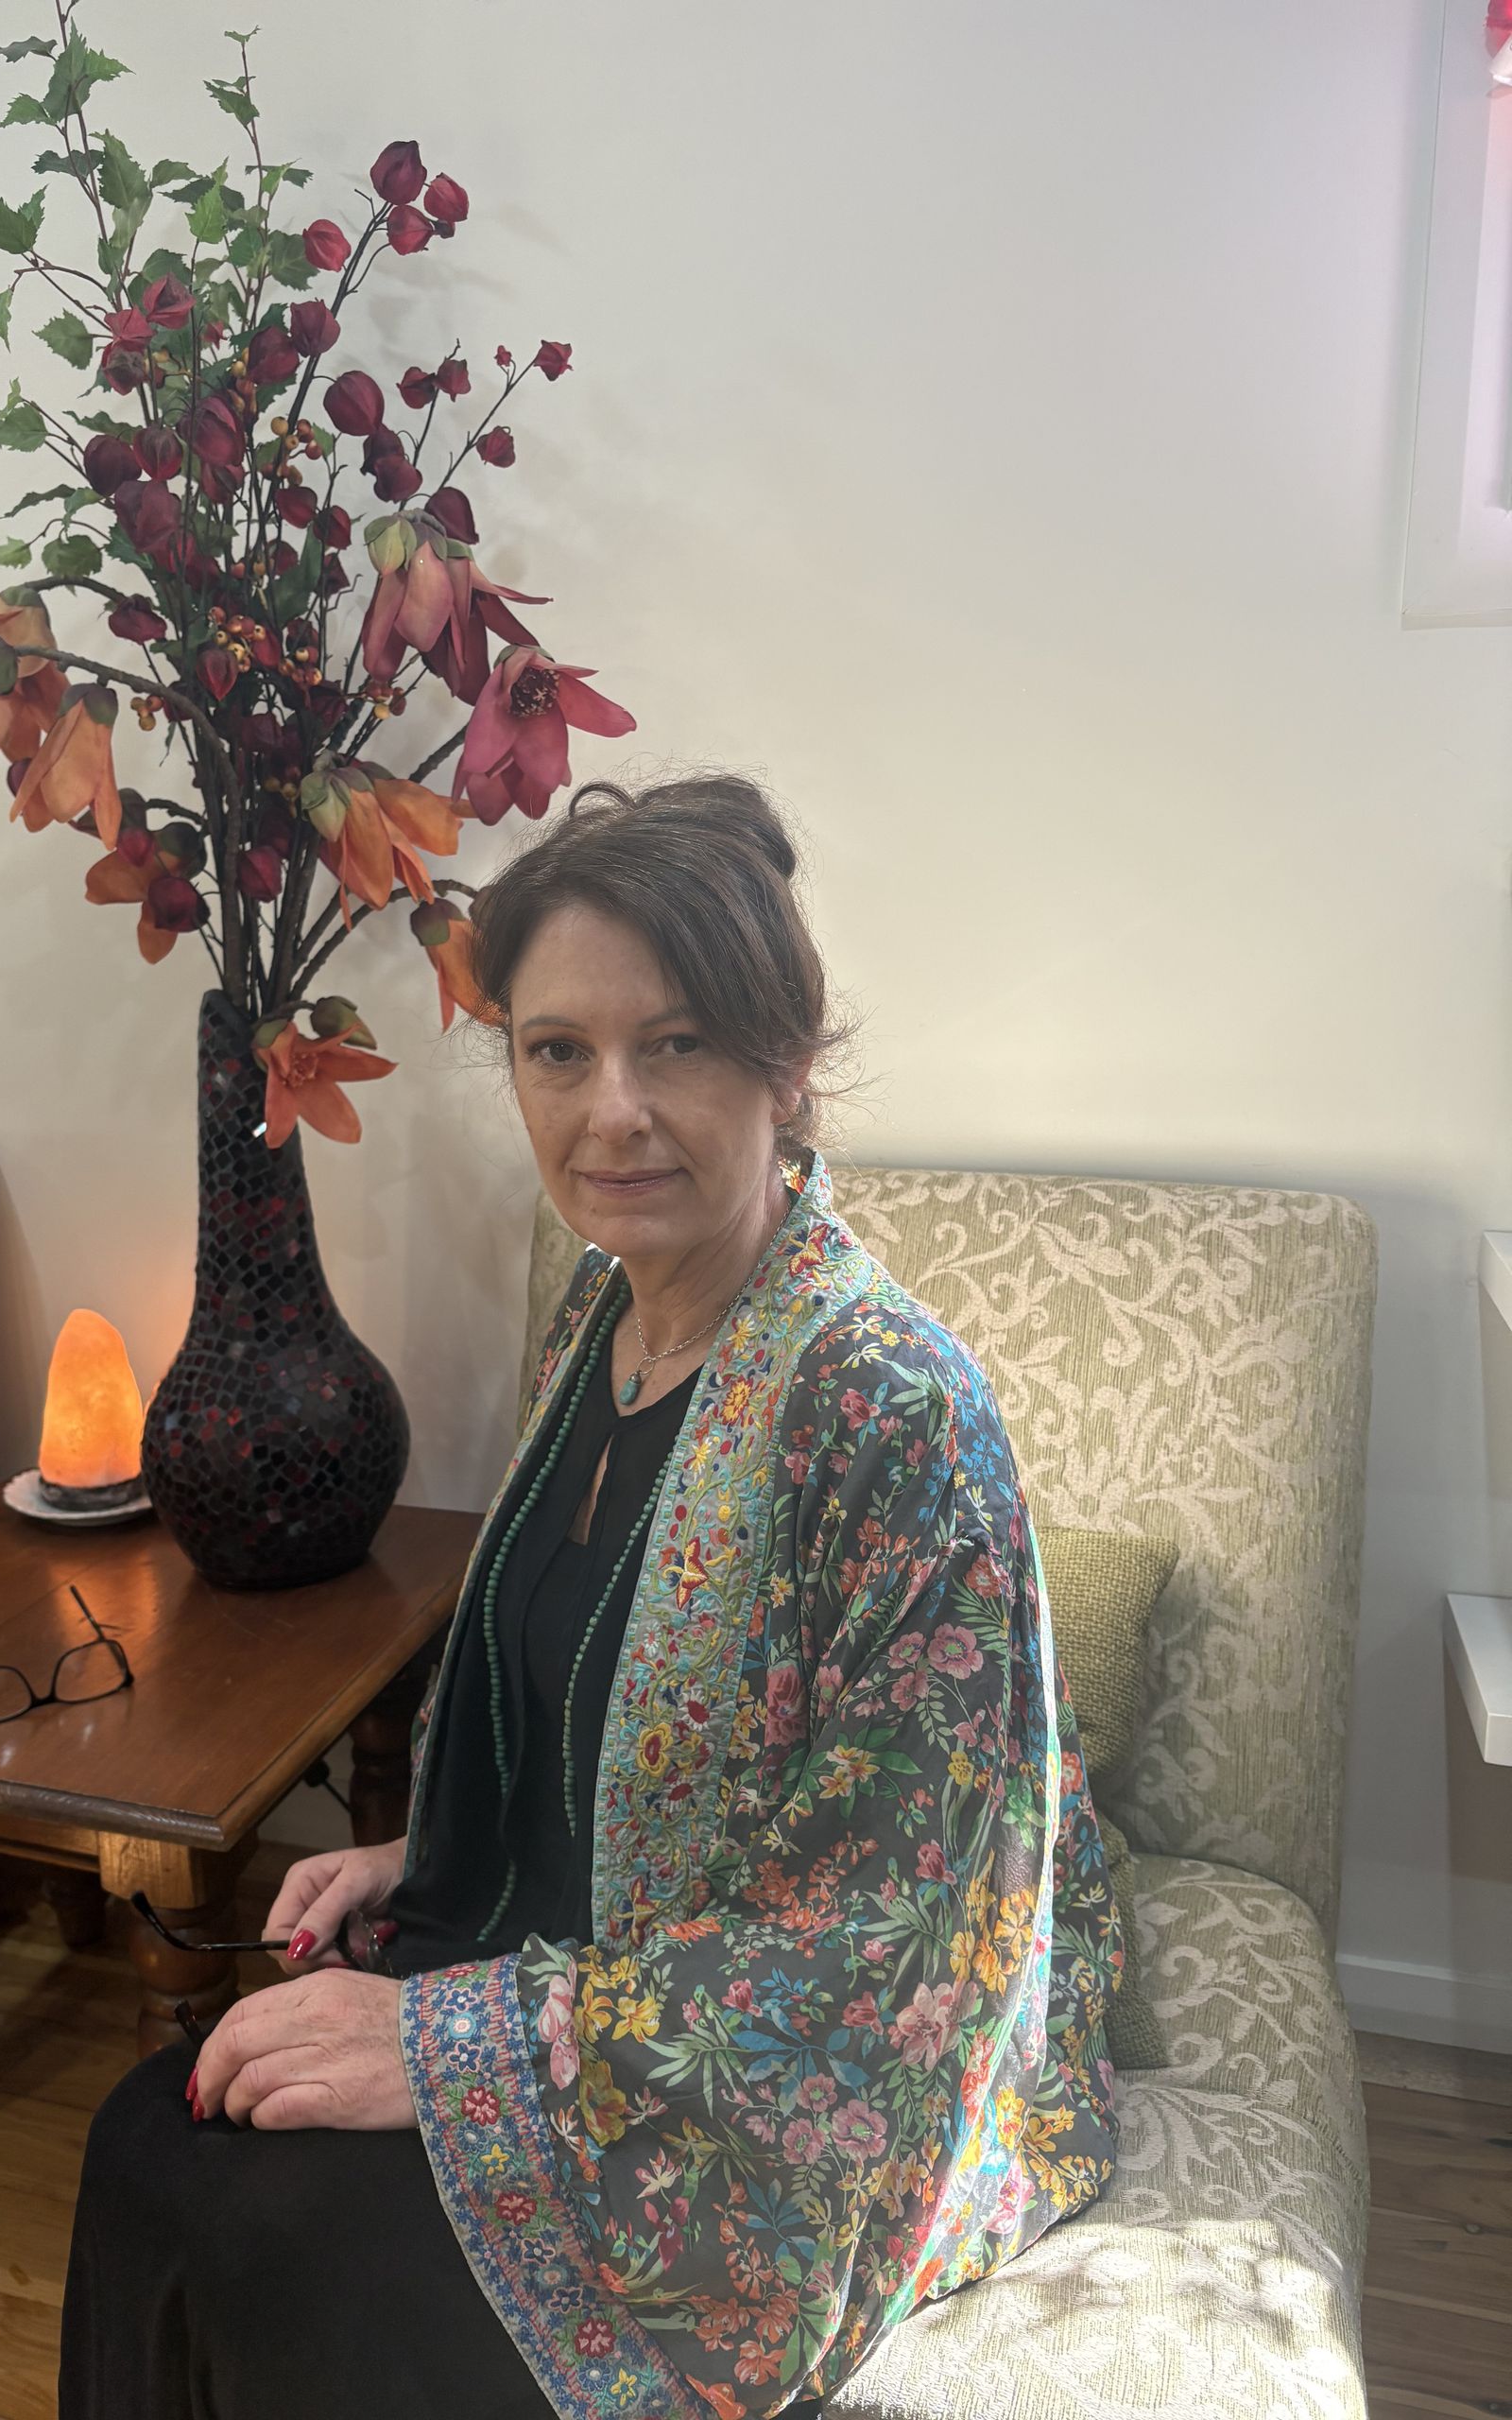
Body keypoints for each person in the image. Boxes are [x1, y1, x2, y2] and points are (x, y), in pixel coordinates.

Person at [58, 776, 1121, 2420]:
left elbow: (894, 1953)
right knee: (158, 2133)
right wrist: (434, 1852)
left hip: (780, 2098)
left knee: (260, 2231)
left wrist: (448, 2046)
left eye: (676, 1044)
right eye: (557, 1052)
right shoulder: (598, 1321)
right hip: (576, 1961)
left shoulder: (889, 1413)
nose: (610, 1110)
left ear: (789, 1069)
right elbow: (594, 1686)